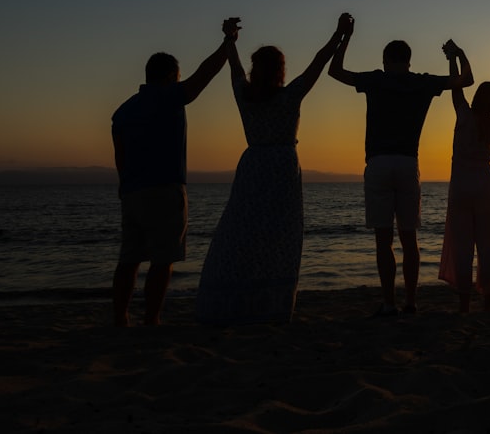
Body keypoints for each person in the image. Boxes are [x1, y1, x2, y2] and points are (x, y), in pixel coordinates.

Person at [195, 17, 348, 325]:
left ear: (255, 70)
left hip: (254, 166)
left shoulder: (245, 95)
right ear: (280, 71)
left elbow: (234, 67)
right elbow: (318, 63)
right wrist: (339, 35)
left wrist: (230, 39)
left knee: (242, 233)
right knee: (279, 237)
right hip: (282, 169)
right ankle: (270, 305)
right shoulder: (289, 96)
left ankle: (234, 300)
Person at [328, 14, 472, 315]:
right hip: (408, 163)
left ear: (385, 59)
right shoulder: (421, 83)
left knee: (384, 240)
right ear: (408, 60)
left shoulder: (376, 79)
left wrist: (346, 36)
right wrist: (457, 54)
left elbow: (335, 70)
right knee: (409, 238)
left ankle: (389, 302)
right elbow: (466, 80)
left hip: (379, 163)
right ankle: (410, 301)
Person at [111, 17, 240, 326]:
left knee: (129, 259)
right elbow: (206, 73)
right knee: (162, 259)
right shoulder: (170, 96)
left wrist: (125, 186)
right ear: (170, 76)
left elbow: (120, 156)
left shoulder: (123, 111)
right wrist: (228, 42)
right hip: (164, 189)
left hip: (131, 191)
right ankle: (152, 318)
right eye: (177, 77)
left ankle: (120, 318)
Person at [437, 42, 490, 312]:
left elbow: (456, 86)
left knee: (462, 245)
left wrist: (455, 56)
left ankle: (464, 303)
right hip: (484, 186)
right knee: (488, 242)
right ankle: (489, 298)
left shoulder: (464, 116)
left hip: (460, 186)